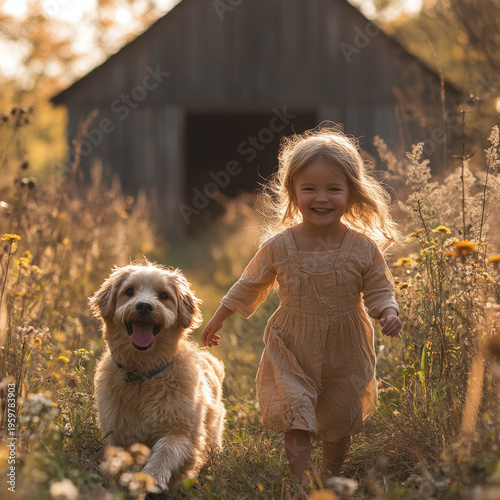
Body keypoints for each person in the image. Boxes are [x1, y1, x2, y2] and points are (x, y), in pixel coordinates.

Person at [201, 124, 402, 484]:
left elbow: (378, 288)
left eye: (333, 189)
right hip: (292, 343)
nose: (320, 197)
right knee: (297, 411)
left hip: (347, 346)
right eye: (309, 188)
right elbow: (250, 282)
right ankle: (301, 484)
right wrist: (219, 317)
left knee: (339, 417)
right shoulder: (280, 245)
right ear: (293, 193)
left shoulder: (362, 248)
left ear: (352, 194)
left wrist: (388, 311)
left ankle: (328, 478)